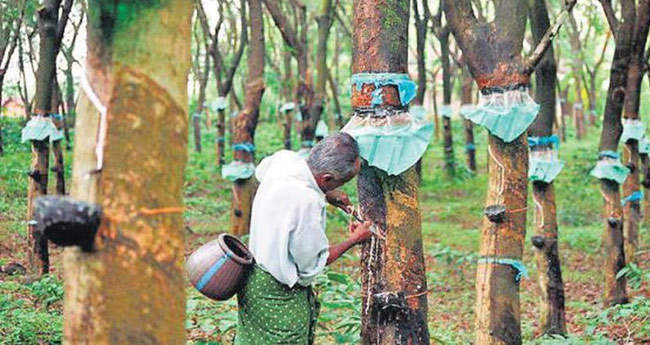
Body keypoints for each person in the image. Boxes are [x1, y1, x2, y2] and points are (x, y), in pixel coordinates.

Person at [235, 132, 374, 345]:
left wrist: (327, 193)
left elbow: (262, 171)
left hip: (252, 281)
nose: (341, 187)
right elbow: (311, 264)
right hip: (277, 295)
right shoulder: (307, 203)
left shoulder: (285, 160)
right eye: (341, 182)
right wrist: (355, 239)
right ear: (326, 178)